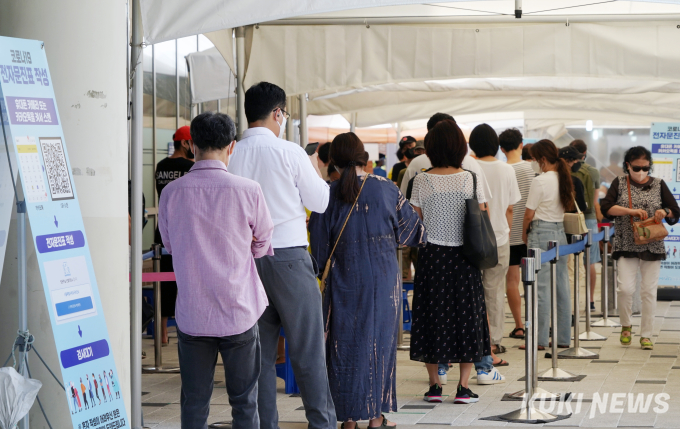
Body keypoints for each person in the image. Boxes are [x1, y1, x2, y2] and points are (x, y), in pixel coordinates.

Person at [228, 82, 336, 429]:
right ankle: (321, 424)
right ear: (278, 113)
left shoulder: (231, 154)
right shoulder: (290, 152)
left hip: (246, 262)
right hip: (289, 257)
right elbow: (320, 201)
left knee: (257, 357)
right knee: (307, 352)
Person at [159, 111, 273, 428]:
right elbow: (263, 241)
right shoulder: (249, 190)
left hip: (193, 313)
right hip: (238, 310)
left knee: (194, 403)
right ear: (231, 146)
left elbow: (170, 244)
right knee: (245, 403)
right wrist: (243, 247)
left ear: (192, 145)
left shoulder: (171, 193)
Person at [309, 133, 426, 429]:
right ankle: (376, 419)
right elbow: (414, 233)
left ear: (332, 160)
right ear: (365, 157)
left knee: (343, 348)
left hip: (342, 285)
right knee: (380, 349)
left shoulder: (326, 194)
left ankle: (348, 421)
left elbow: (319, 254)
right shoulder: (386, 189)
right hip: (383, 285)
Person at [400, 113, 499, 384]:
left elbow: (414, 221)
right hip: (465, 257)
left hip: (432, 256)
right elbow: (481, 217)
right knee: (467, 316)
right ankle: (464, 386)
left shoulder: (421, 180)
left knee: (432, 317)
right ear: (461, 148)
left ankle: (434, 383)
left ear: (431, 149)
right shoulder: (470, 179)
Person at [600, 146, 680, 350]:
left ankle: (646, 335)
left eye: (646, 167)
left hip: (652, 244)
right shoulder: (619, 183)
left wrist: (664, 211)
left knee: (648, 291)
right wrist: (630, 210)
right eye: (637, 167)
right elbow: (606, 208)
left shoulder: (659, 184)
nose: (642, 171)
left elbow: (675, 210)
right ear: (628, 165)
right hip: (626, 243)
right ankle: (626, 324)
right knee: (625, 288)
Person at [469, 124, 521, 356]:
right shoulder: (507, 170)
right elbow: (510, 207)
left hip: (471, 239)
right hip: (499, 237)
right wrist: (506, 230)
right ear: (495, 145)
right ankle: (494, 341)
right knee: (494, 290)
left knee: (471, 291)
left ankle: (472, 338)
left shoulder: (468, 166)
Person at [521, 140, 574, 350]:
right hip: (560, 233)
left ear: (542, 159)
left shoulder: (540, 181)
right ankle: (562, 338)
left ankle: (539, 339)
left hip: (541, 233)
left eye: (534, 159)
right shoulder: (564, 177)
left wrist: (525, 234)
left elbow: (528, 214)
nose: (534, 163)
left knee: (540, 289)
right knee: (562, 288)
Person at [154, 125, 195, 345]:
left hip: (163, 228)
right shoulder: (190, 167)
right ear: (184, 143)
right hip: (185, 230)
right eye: (192, 143)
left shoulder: (160, 167)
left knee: (163, 284)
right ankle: (186, 332)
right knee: (186, 282)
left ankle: (161, 334)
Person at [499, 128, 533, 340]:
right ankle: (534, 323)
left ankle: (519, 325)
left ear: (502, 149)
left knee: (511, 281)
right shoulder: (532, 169)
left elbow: (506, 206)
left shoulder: (502, 170)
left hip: (509, 235)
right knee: (532, 280)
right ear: (521, 144)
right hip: (530, 233)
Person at [570, 139, 603, 310]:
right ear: (585, 152)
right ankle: (590, 301)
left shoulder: (565, 170)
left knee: (570, 260)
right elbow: (595, 201)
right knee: (589, 261)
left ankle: (572, 298)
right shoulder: (593, 172)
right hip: (589, 218)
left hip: (570, 219)